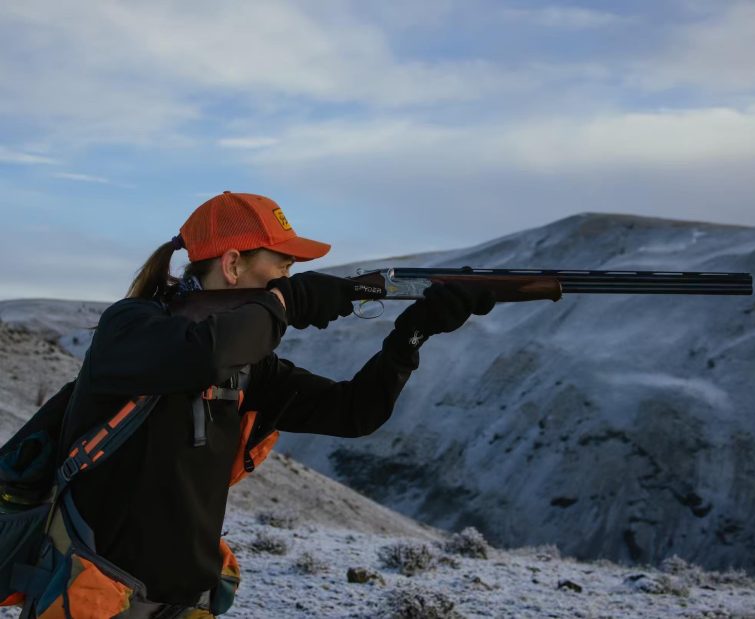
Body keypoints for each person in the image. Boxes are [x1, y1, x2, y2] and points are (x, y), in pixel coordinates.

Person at [52, 191, 495, 617]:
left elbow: (354, 411)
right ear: (232, 264)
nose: (289, 276)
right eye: (281, 264)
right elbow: (202, 354)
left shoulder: (248, 367)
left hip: (186, 602)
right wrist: (284, 302)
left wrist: (411, 336)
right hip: (97, 598)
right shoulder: (130, 326)